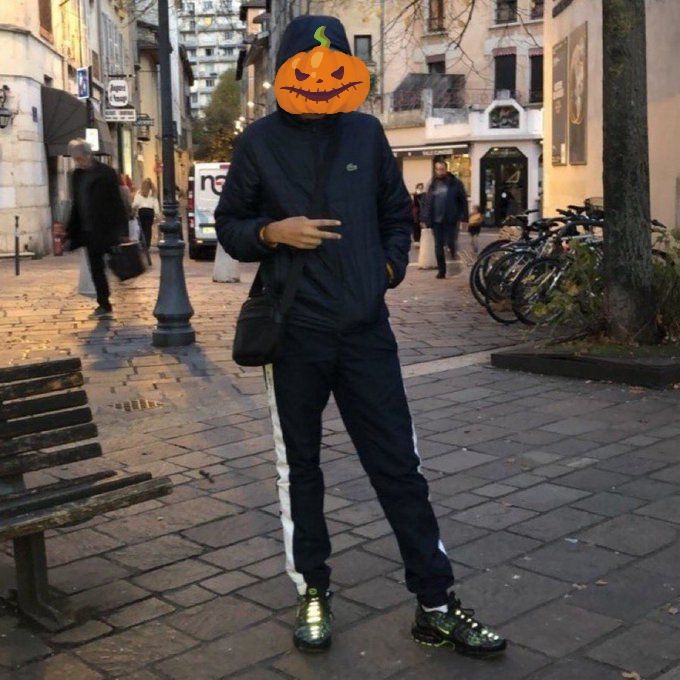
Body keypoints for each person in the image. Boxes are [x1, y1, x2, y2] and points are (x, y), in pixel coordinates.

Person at [215, 14, 505, 660]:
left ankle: (436, 605)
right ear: (286, 72)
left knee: (400, 467)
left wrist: (388, 270)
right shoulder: (259, 143)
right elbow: (229, 223)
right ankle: (313, 591)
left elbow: (397, 215)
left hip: (366, 333)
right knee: (301, 468)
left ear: (347, 72)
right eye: (307, 68)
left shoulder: (367, 134)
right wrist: (271, 233)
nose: (319, 78)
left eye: (333, 67)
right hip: (295, 336)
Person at [65, 139, 127, 319]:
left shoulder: (106, 173)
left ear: (88, 154)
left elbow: (117, 203)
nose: (78, 162)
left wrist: (123, 231)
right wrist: (70, 231)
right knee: (96, 268)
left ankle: (121, 281)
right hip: (88, 230)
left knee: (115, 261)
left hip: (106, 228)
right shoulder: (76, 176)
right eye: (75, 159)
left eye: (79, 158)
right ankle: (104, 303)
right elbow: (76, 204)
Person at [420, 161, 469, 279]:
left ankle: (454, 259)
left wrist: (465, 218)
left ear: (446, 170)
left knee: (450, 242)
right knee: (438, 246)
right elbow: (427, 202)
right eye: (437, 169)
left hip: (450, 219)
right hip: (436, 221)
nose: (440, 172)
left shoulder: (455, 183)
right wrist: (424, 218)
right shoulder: (432, 184)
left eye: (442, 169)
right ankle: (441, 271)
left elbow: (463, 201)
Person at [132, 178, 161, 250]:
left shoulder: (139, 192)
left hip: (142, 211)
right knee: (148, 228)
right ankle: (147, 244)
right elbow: (156, 204)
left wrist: (133, 208)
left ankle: (143, 242)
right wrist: (157, 214)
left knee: (142, 228)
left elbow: (136, 203)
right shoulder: (153, 193)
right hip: (150, 212)